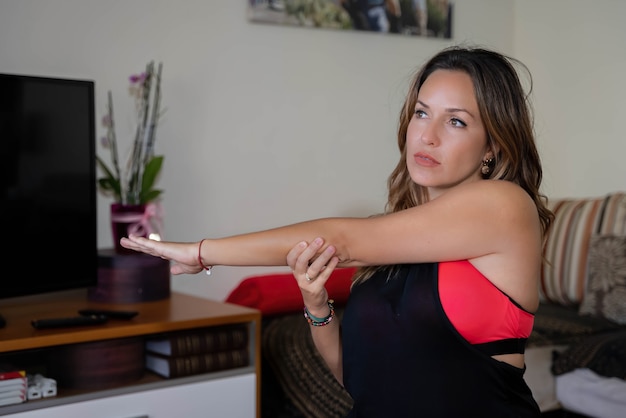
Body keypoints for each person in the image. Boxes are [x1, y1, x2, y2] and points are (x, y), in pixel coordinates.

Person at [121, 45, 553, 417]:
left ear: (493, 146)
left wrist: (200, 252)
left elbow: (340, 239)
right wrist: (317, 306)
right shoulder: (395, 236)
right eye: (422, 112)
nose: (429, 135)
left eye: (456, 121)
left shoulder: (506, 205)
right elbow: (356, 379)